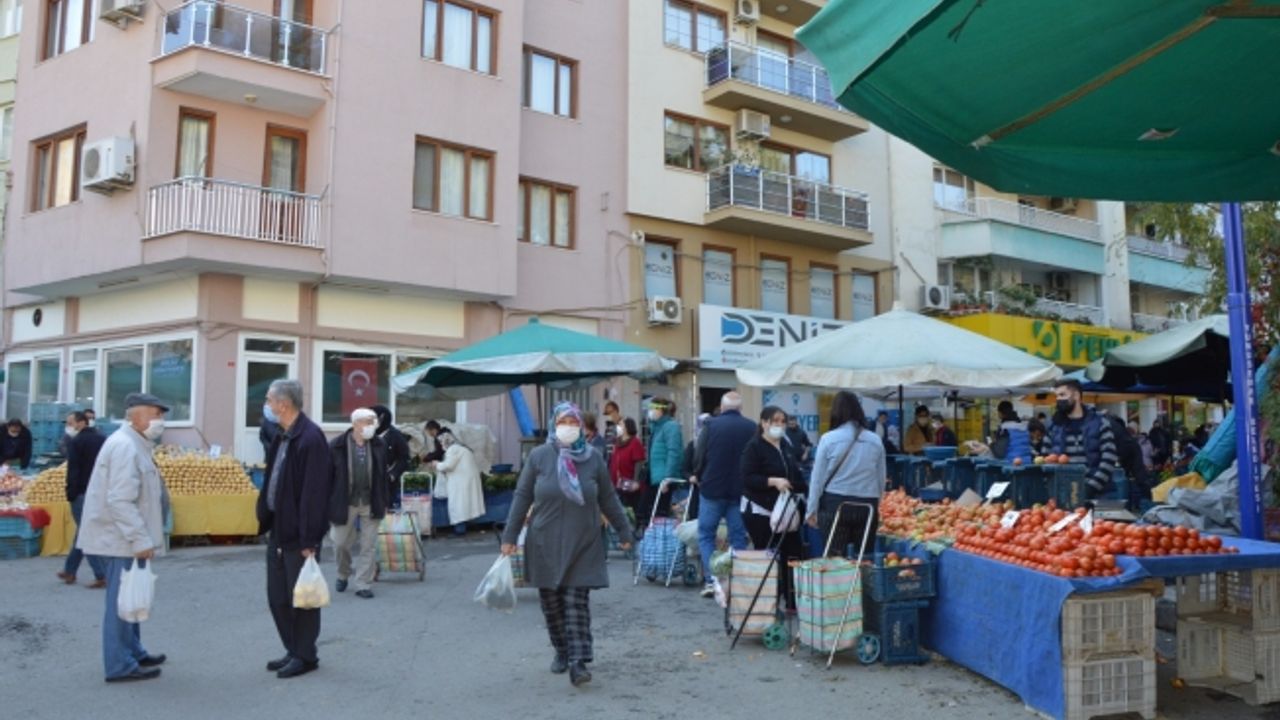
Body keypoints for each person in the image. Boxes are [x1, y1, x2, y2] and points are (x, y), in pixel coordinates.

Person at [500, 402, 635, 688]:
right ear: (553, 424)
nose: (569, 427)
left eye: (574, 422)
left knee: (576, 601)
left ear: (581, 427)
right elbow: (522, 497)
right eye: (563, 421)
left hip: (583, 540)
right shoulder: (538, 456)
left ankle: (578, 661)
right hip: (543, 542)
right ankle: (561, 649)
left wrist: (625, 530)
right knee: (551, 603)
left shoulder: (594, 458)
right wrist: (509, 538)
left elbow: (608, 498)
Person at [76, 393, 170, 683]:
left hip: (128, 538)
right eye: (156, 414)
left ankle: (134, 651)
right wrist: (140, 539)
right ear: (136, 416)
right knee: (121, 602)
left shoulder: (136, 443)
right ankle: (119, 664)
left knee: (132, 596)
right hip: (122, 540)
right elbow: (120, 500)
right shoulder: (125, 447)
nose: (160, 422)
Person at [257, 379, 332, 679]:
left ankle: (305, 655)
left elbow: (314, 494)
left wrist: (309, 539)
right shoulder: (282, 435)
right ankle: (292, 648)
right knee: (278, 596)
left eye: (268, 400)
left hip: (300, 535)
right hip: (278, 527)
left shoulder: (310, 439)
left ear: (282, 404)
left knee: (301, 597)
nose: (267, 406)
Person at [740, 406, 808, 612]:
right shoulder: (754, 447)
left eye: (782, 421)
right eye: (775, 421)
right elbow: (747, 478)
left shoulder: (785, 447)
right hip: (760, 511)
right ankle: (767, 603)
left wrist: (800, 487)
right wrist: (772, 481)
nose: (779, 425)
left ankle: (791, 602)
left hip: (786, 512)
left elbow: (795, 476)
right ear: (764, 423)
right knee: (767, 557)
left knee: (792, 554)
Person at [807, 391, 885, 560]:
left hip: (835, 504)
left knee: (836, 559)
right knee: (863, 559)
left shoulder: (828, 439)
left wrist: (811, 510)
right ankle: (863, 586)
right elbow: (880, 479)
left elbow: (817, 480)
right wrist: (877, 502)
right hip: (867, 506)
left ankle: (840, 587)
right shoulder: (875, 440)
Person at [692, 392, 755, 599]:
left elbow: (700, 455)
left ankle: (713, 581)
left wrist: (699, 475)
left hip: (712, 488)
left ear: (722, 406)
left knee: (706, 534)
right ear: (740, 408)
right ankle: (736, 582)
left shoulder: (711, 426)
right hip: (740, 491)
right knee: (738, 537)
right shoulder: (751, 427)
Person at [328, 408, 389, 599]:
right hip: (344, 501)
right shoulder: (336, 445)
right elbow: (326, 476)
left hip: (371, 501)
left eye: (373, 422)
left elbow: (383, 476)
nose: (372, 426)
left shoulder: (378, 444)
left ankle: (363, 583)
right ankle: (343, 573)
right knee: (340, 543)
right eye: (368, 422)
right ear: (355, 424)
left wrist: (384, 499)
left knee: (368, 545)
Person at [57, 411, 108, 588]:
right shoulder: (102, 439)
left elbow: (74, 470)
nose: (69, 426)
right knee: (83, 531)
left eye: (71, 423)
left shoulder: (76, 442)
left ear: (80, 423)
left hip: (81, 491)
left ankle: (102, 574)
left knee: (86, 533)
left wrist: (70, 492)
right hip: (99, 490)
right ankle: (70, 570)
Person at [1049, 379, 1119, 499]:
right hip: (1065, 493)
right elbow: (1047, 459)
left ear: (1076, 395)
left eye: (1062, 395)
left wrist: (1091, 487)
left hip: (1099, 494)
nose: (1058, 400)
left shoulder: (1100, 423)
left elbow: (1109, 458)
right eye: (1057, 396)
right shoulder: (1054, 426)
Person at [431, 430, 485, 535]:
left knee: (458, 505)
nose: (441, 445)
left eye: (441, 442)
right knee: (465, 504)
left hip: (460, 482)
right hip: (465, 480)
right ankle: (462, 528)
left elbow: (448, 465)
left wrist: (437, 464)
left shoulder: (453, 449)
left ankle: (459, 530)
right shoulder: (461, 448)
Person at [644, 398, 683, 524]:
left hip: (663, 478)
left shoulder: (671, 427)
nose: (650, 412)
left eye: (652, 408)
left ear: (661, 410)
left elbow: (674, 452)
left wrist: (667, 478)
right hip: (654, 477)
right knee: (649, 513)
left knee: (661, 514)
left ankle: (662, 541)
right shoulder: (657, 427)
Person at [370, 405, 410, 508]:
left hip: (387, 481)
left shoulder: (396, 436)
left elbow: (404, 458)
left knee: (385, 508)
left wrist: (393, 475)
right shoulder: (368, 434)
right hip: (368, 479)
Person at [608, 417, 646, 520]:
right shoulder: (617, 443)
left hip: (630, 485)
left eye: (621, 425)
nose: (618, 427)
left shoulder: (635, 442)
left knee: (632, 511)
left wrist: (636, 481)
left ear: (627, 427)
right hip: (618, 483)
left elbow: (639, 463)